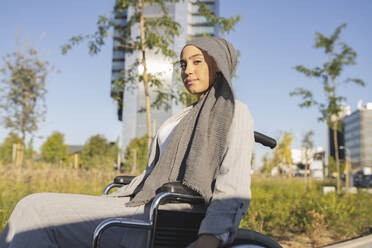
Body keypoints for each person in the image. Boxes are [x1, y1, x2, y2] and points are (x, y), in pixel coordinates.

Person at [0, 37, 254, 248]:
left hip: (163, 216)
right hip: (136, 202)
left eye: (197, 62)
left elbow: (233, 187)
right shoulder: (182, 116)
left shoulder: (234, 112)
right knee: (33, 208)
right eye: (183, 63)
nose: (187, 70)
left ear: (219, 64)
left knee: (34, 210)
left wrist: (210, 238)